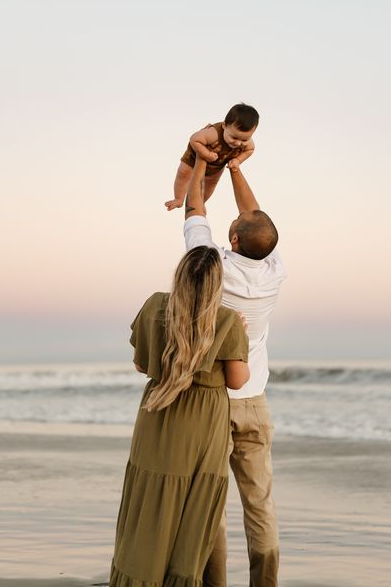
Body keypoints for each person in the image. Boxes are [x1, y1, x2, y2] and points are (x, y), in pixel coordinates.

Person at [109, 245, 250, 587]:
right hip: (202, 422)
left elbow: (142, 364)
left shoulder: (155, 305)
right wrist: (243, 338)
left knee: (149, 502)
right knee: (193, 508)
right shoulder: (228, 320)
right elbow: (237, 381)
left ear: (180, 274)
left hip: (157, 414)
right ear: (217, 282)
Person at [184, 154, 286, 587]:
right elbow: (256, 221)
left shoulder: (210, 265)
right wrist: (237, 169)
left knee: (211, 502)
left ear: (233, 239)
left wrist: (200, 167)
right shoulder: (274, 271)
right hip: (254, 404)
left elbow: (194, 212)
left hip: (213, 400)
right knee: (259, 502)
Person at [165, 102, 259, 210]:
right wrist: (206, 154)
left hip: (218, 163)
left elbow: (250, 150)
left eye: (244, 140)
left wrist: (238, 160)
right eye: (234, 138)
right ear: (224, 125)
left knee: (211, 184)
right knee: (183, 173)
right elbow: (194, 139)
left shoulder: (248, 143)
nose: (238, 143)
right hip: (194, 157)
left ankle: (200, 202)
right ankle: (178, 198)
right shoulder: (213, 133)